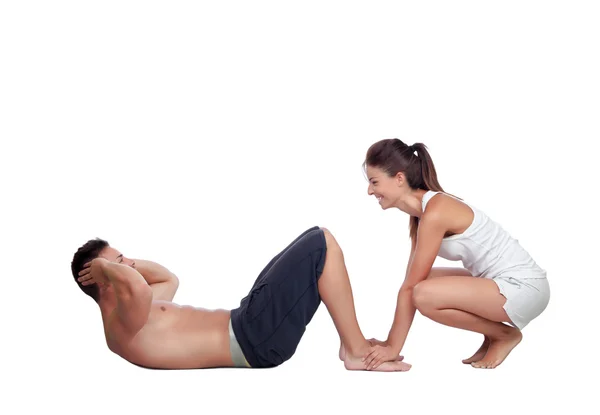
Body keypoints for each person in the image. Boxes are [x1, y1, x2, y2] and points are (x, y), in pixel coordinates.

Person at [71, 226, 411, 371]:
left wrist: (117, 264)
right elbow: (141, 287)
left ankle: (350, 344)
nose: (129, 266)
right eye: (120, 265)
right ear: (103, 283)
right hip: (254, 340)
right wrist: (105, 266)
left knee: (315, 236)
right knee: (322, 244)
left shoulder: (140, 312)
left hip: (248, 321)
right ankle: (353, 349)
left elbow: (167, 279)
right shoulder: (120, 325)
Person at [361, 138, 550, 370]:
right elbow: (410, 281)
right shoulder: (420, 218)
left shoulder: (436, 211)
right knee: (423, 282)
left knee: (423, 293)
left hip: (524, 288)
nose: (370, 191)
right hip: (497, 283)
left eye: (374, 182)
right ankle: (494, 335)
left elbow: (412, 288)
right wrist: (390, 343)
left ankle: (503, 334)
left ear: (399, 178)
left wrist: (392, 349)